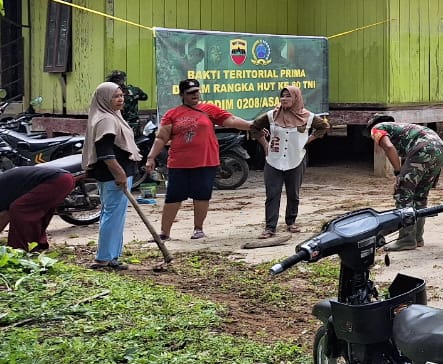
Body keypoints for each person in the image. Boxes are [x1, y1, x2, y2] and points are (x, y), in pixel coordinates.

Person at [144, 78, 254, 240]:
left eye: (196, 91)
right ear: (182, 95)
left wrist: (252, 125)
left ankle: (198, 229)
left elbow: (230, 120)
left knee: (202, 196)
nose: (195, 95)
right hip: (179, 163)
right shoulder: (172, 114)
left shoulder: (209, 109)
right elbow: (161, 138)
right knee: (173, 197)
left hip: (206, 161)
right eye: (190, 93)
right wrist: (151, 157)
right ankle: (165, 232)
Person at [250, 86, 330, 237]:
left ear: (296, 98)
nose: (284, 99)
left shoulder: (308, 117)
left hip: (296, 160)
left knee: (293, 193)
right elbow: (254, 127)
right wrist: (265, 144)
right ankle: (270, 227)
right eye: (282, 96)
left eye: (288, 96)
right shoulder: (272, 115)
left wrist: (308, 140)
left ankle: (291, 222)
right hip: (273, 160)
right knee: (272, 194)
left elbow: (323, 127)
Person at [84, 81, 143, 269]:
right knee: (112, 214)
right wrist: (120, 173)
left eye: (121, 95)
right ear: (104, 99)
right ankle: (103, 258)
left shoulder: (111, 115)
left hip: (115, 174)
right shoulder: (106, 119)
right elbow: (105, 152)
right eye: (115, 96)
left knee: (114, 214)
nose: (120, 99)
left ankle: (112, 256)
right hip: (113, 175)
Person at [370, 117, 443, 251]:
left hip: (424, 148)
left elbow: (389, 147)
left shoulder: (377, 128)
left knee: (403, 194)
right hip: (441, 149)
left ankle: (406, 239)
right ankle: (417, 238)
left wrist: (398, 173)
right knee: (420, 194)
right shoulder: (403, 128)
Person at [0, 165, 76, 251]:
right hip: (62, 179)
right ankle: (37, 244)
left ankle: (20, 249)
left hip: (57, 180)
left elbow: (4, 216)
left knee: (19, 209)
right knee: (36, 214)